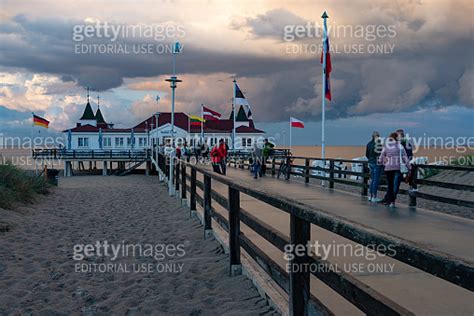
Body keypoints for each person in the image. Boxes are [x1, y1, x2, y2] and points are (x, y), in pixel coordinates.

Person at [378, 132, 410, 207]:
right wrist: (409, 167)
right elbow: (405, 158)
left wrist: (384, 163)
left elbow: (380, 158)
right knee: (394, 186)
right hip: (397, 168)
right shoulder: (400, 146)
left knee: (390, 185)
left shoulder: (386, 146)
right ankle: (392, 202)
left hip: (388, 168)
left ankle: (389, 201)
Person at [365, 131, 383, 202]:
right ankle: (374, 196)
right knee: (376, 180)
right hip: (376, 163)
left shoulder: (368, 144)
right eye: (378, 136)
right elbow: (381, 154)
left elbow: (366, 154)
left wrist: (370, 159)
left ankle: (370, 196)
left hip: (370, 163)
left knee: (372, 180)